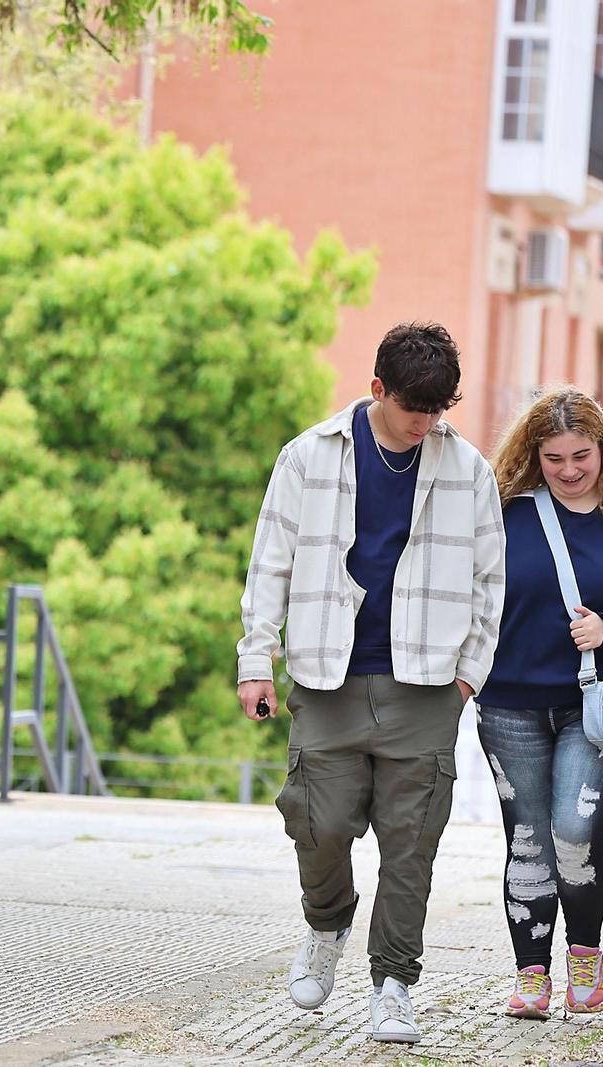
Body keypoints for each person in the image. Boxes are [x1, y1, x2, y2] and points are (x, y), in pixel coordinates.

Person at [236, 322, 504, 1043]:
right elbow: (270, 565)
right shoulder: (308, 458)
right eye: (414, 408)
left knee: (411, 842)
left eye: (438, 410)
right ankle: (327, 927)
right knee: (316, 823)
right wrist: (255, 660)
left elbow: (490, 580)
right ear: (378, 388)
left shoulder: (468, 469)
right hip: (327, 674)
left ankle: (393, 983)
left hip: (425, 682)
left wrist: (466, 679)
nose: (425, 424)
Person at [478, 387, 603, 1020]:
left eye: (582, 455)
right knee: (528, 842)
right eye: (555, 457)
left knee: (575, 830)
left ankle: (586, 955)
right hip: (509, 704)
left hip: (595, 706)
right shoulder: (504, 515)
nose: (569, 470)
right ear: (533, 455)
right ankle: (532, 974)